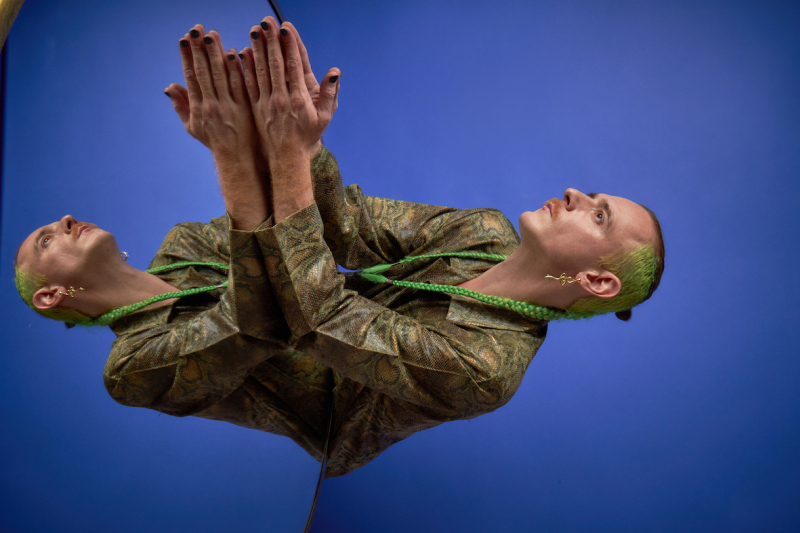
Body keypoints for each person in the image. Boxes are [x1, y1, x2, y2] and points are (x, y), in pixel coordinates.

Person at [13, 18, 664, 477]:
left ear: (598, 281)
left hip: (330, 408)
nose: (576, 192)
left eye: (598, 213)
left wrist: (250, 157)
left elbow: (310, 319)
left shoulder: (484, 370)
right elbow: (344, 226)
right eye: (594, 197)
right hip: (300, 311)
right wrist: (299, 141)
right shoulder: (483, 233)